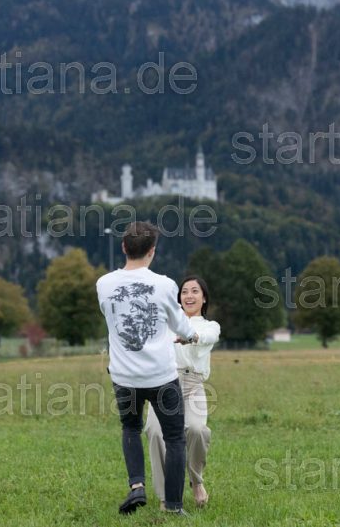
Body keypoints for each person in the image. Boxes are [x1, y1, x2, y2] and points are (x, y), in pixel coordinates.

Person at [96, 221, 199, 516]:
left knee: (130, 428)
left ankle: (137, 486)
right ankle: (174, 507)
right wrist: (191, 335)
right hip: (161, 376)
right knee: (174, 438)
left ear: (123, 247)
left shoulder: (103, 283)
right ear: (152, 251)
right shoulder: (165, 285)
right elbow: (180, 325)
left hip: (124, 376)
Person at [145, 276, 220, 509]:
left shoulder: (210, 326)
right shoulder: (166, 323)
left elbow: (208, 337)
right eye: (184, 291)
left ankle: (196, 481)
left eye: (195, 291)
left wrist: (192, 337)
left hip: (193, 384)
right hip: (164, 383)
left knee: (197, 430)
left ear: (204, 298)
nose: (189, 295)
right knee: (155, 432)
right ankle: (165, 496)